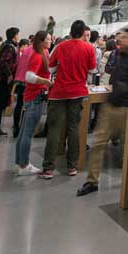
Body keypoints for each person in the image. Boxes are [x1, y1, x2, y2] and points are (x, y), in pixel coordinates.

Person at [78, 28, 128, 196]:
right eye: (119, 38)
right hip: (112, 105)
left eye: (124, 38)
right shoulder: (120, 54)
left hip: (126, 107)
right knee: (98, 143)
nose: (120, 40)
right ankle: (92, 181)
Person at [40, 20, 95, 179]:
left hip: (59, 92)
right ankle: (72, 166)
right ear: (83, 32)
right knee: (73, 128)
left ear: (71, 32)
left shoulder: (61, 46)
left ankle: (48, 168)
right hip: (78, 92)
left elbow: (50, 68)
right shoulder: (89, 48)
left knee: (54, 129)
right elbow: (92, 70)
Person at [15, 31, 52, 174]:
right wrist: (46, 82)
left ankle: (20, 162)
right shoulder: (37, 55)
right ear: (41, 41)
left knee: (24, 131)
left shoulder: (42, 52)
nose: (50, 41)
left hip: (33, 96)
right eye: (48, 39)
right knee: (28, 133)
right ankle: (24, 165)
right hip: (35, 96)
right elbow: (29, 76)